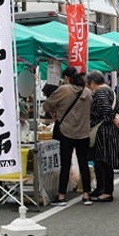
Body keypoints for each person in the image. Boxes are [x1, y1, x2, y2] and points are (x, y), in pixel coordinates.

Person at [42, 66, 93, 206]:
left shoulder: (63, 90)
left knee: (65, 164)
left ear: (66, 78)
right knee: (84, 164)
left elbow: (46, 105)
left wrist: (57, 110)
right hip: (83, 132)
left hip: (66, 131)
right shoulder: (88, 92)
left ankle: (61, 196)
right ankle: (87, 194)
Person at [87, 71, 119, 202]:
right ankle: (101, 189)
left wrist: (113, 118)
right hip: (109, 130)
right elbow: (118, 109)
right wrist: (117, 117)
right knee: (104, 161)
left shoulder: (100, 92)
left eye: (89, 84)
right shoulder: (111, 90)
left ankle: (106, 192)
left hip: (102, 130)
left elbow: (106, 110)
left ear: (92, 83)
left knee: (102, 162)